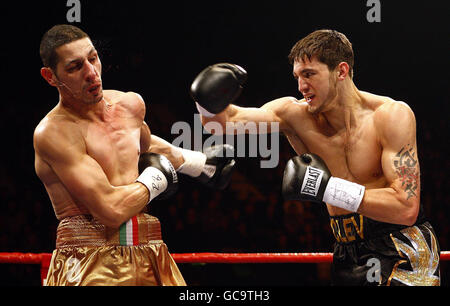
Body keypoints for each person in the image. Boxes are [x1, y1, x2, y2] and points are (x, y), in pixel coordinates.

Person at [190, 29, 440, 286]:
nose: (301, 86)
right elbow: (222, 124)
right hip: (346, 250)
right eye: (297, 76)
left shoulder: (390, 116)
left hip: (401, 246)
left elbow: (405, 208)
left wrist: (327, 188)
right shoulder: (293, 115)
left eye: (309, 74)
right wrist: (205, 100)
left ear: (341, 71)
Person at [34, 24, 235, 286]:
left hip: (151, 250)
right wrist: (153, 180)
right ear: (51, 76)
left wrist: (200, 164)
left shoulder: (129, 105)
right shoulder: (54, 132)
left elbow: (143, 144)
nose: (91, 73)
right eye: (75, 67)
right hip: (90, 261)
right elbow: (110, 210)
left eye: (93, 58)